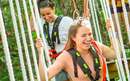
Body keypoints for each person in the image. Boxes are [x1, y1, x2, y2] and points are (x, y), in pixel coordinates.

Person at [37, 18, 116, 81]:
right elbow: (44, 78)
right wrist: (40, 53)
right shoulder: (66, 57)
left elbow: (115, 54)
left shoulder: (96, 46)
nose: (88, 38)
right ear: (73, 37)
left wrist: (111, 32)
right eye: (83, 35)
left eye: (90, 34)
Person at [34, 0, 73, 81]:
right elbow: (31, 26)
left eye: (48, 13)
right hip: (56, 63)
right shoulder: (42, 24)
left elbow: (75, 38)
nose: (46, 17)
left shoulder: (66, 21)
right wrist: (35, 6)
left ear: (54, 9)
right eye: (43, 15)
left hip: (70, 59)